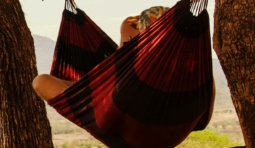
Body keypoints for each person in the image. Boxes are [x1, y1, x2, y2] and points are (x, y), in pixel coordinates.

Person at [32, 6, 170, 102]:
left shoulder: (168, 59)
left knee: (42, 82)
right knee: (43, 81)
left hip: (122, 101)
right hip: (107, 92)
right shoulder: (132, 53)